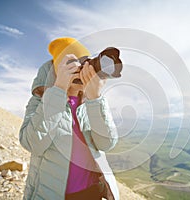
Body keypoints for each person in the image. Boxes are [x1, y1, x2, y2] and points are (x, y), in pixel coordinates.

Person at [19, 37, 119, 200]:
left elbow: (106, 143)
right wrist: (58, 90)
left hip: (92, 192)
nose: (82, 70)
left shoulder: (91, 102)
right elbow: (31, 144)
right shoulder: (40, 101)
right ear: (58, 70)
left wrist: (95, 99)